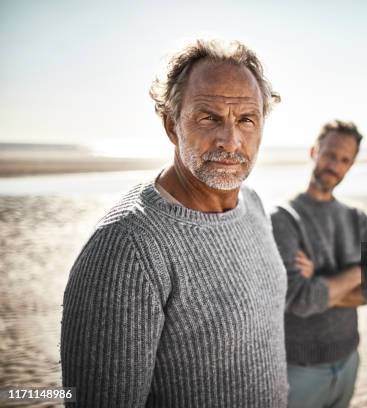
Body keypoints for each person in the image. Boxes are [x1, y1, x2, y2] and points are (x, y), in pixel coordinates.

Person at [61, 39, 289, 407]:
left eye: (246, 119)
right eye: (208, 118)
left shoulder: (254, 205)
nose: (230, 141)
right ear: (171, 124)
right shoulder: (127, 247)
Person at [271, 121, 367, 408]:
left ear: (351, 165)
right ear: (313, 151)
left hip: (349, 359)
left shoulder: (359, 218)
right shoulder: (283, 218)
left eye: (344, 160)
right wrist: (358, 271)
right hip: (299, 368)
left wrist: (317, 278)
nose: (335, 166)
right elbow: (300, 300)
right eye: (330, 155)